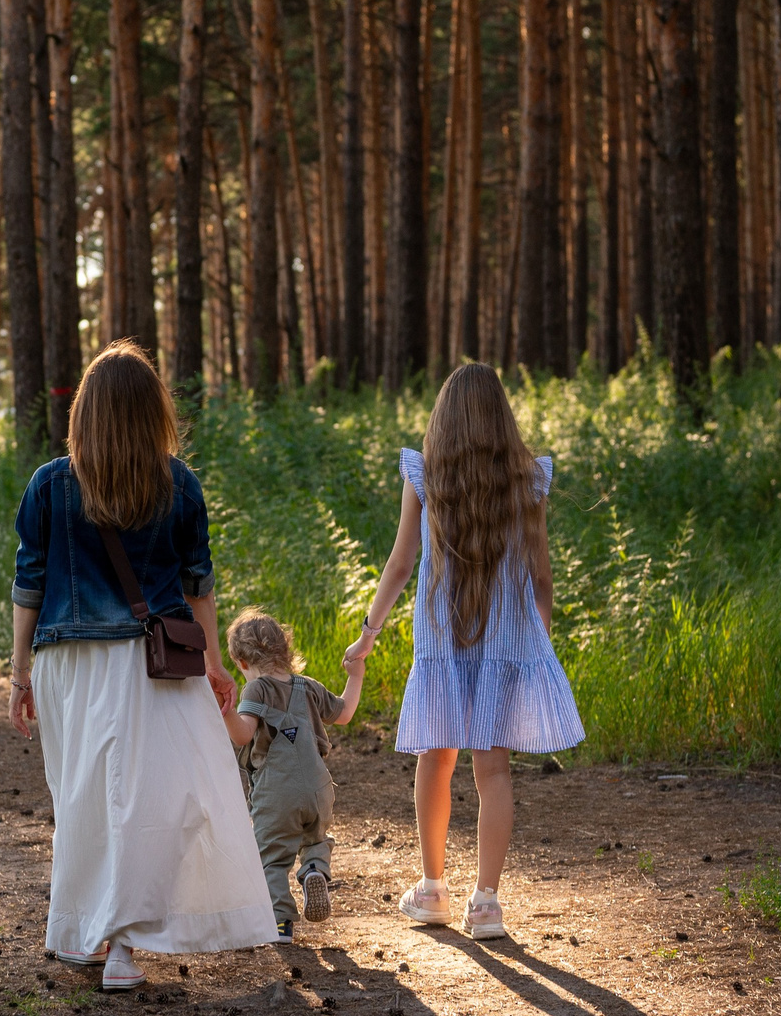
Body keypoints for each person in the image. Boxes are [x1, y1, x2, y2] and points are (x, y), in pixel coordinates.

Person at [9, 342, 278, 990]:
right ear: (153, 411)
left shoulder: (50, 483)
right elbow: (199, 586)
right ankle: (117, 940)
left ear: (85, 413)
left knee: (84, 798)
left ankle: (91, 931)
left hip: (67, 660)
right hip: (156, 661)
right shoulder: (178, 482)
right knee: (147, 803)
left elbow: (29, 583)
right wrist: (213, 663)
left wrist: (19, 670)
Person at [345, 363, 583, 940]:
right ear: (502, 418)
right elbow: (541, 575)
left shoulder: (425, 476)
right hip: (506, 647)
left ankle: (431, 890)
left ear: (443, 419)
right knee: (493, 771)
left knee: (436, 758)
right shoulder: (527, 481)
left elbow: (401, 564)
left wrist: (368, 634)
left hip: (442, 646)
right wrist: (537, 644)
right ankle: (488, 903)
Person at [223, 608, 365, 941]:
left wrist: (226, 709)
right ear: (286, 650)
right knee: (315, 840)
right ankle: (315, 869)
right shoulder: (310, 687)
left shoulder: (256, 690)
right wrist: (355, 676)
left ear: (242, 663)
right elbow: (344, 713)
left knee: (272, 857)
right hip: (318, 788)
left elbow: (243, 735)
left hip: (277, 791)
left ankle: (280, 922)